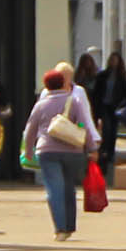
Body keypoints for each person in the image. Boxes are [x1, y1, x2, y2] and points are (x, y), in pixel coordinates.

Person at [24, 64, 96, 241]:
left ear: (46, 85)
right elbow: (84, 124)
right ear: (63, 82)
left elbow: (30, 129)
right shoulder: (75, 101)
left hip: (47, 150)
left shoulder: (41, 104)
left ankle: (60, 228)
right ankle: (70, 225)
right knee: (69, 188)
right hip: (73, 151)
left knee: (54, 189)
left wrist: (28, 151)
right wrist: (91, 147)